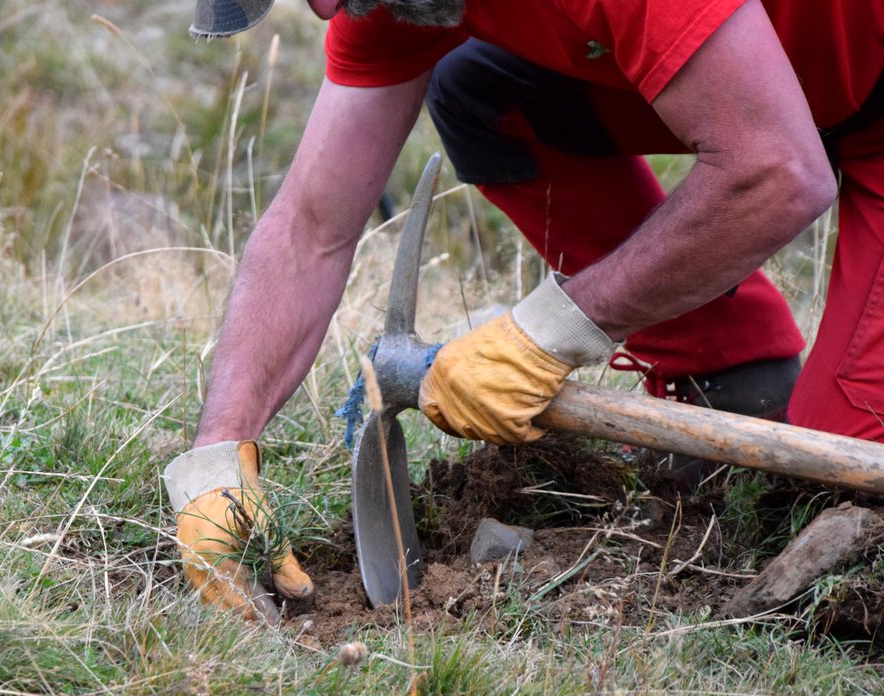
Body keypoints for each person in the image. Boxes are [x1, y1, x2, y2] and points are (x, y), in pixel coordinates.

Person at [163, 0, 884, 620]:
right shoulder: (387, 1)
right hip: (795, 70)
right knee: (481, 91)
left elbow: (778, 170)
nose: (321, 9)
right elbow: (309, 228)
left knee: (846, 498)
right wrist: (218, 456)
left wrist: (546, 334)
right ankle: (734, 377)